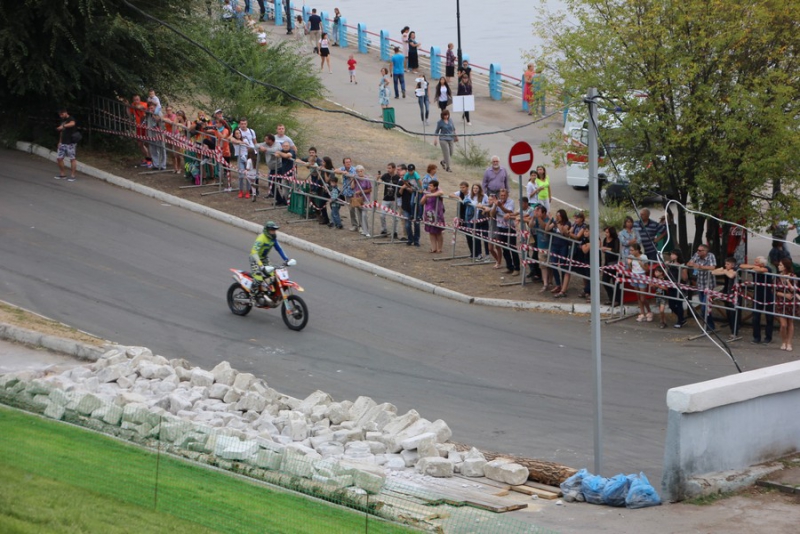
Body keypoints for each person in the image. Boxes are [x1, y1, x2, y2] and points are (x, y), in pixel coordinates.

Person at [249, 221, 290, 302]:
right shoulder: (261, 238)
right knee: (258, 278)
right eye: (272, 230)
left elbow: (279, 249)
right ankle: (252, 294)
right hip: (255, 259)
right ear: (267, 230)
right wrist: (261, 265)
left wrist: (286, 259)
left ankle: (266, 292)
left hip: (264, 258)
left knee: (272, 276)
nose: (273, 232)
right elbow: (254, 252)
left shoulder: (273, 239)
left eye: (274, 230)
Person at [739, 256, 775, 345]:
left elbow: (763, 270)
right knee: (755, 318)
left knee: (769, 318)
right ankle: (756, 337)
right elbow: (742, 266)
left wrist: (754, 268)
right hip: (757, 296)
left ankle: (768, 337)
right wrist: (753, 267)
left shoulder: (767, 268)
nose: (754, 263)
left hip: (768, 296)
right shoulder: (754, 268)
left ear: (762, 264)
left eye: (756, 262)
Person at [687, 244, 718, 332]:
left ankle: (709, 326)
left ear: (705, 251)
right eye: (698, 250)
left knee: (705, 307)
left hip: (709, 285)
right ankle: (709, 326)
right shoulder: (697, 255)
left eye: (700, 250)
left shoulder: (711, 256)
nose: (698, 252)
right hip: (700, 284)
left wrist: (700, 267)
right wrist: (693, 265)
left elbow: (712, 267)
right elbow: (689, 263)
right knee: (704, 307)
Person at [490, 189, 520, 275]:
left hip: (510, 228)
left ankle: (517, 268)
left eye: (504, 195)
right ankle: (509, 267)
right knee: (504, 248)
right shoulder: (498, 202)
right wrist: (495, 206)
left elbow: (509, 212)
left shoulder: (511, 202)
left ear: (507, 195)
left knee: (512, 248)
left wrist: (500, 206)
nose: (502, 197)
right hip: (500, 227)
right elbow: (492, 214)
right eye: (501, 195)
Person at [712, 257, 741, 341]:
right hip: (727, 293)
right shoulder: (726, 270)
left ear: (732, 265)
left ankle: (734, 331)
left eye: (727, 264)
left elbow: (731, 275)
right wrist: (723, 269)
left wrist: (724, 271)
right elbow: (713, 272)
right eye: (725, 264)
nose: (725, 265)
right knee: (728, 312)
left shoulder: (736, 270)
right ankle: (732, 328)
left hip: (734, 294)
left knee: (733, 313)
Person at [775, 257, 797, 351]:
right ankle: (783, 341)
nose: (779, 267)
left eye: (780, 265)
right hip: (781, 301)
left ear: (785, 266)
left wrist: (788, 282)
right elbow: (774, 290)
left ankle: (789, 342)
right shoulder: (777, 276)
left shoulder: (793, 276)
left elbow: (794, 289)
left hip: (791, 302)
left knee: (790, 322)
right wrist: (784, 294)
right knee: (783, 324)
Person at [627, 243, 652, 321]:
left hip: (641, 276)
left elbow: (647, 269)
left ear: (637, 250)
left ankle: (649, 311)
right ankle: (642, 313)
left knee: (643, 297)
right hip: (634, 276)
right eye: (630, 250)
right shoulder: (631, 257)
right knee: (638, 296)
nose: (631, 252)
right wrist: (629, 263)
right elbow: (631, 268)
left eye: (632, 250)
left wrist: (641, 263)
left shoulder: (643, 257)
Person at [420, 179, 445, 253]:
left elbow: (441, 192)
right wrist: (425, 196)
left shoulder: (438, 191)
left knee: (438, 232)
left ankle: (439, 248)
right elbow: (421, 202)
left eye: (431, 185)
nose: (429, 187)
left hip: (437, 215)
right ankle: (433, 247)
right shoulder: (427, 192)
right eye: (429, 185)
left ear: (435, 187)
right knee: (431, 231)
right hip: (428, 215)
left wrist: (429, 195)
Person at [665, 249, 688, 328]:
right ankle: (681, 318)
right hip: (671, 286)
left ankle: (680, 321)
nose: (672, 256)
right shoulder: (670, 263)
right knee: (671, 305)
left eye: (673, 254)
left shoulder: (682, 265)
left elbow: (685, 278)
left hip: (679, 287)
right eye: (671, 254)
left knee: (679, 304)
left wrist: (680, 269)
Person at [465, 183, 489, 260]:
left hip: (482, 219)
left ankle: (487, 254)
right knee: (476, 237)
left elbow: (488, 204)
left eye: (476, 188)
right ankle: (479, 253)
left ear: (479, 189)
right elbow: (465, 201)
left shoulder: (484, 196)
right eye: (474, 188)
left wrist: (483, 206)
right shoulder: (470, 196)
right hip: (473, 220)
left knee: (485, 236)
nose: (475, 190)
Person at [399, 166, 421, 247]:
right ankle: (410, 239)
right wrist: (403, 188)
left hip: (415, 207)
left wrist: (414, 189)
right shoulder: (402, 183)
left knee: (416, 224)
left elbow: (420, 191)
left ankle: (416, 240)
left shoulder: (416, 183)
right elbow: (398, 194)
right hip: (406, 206)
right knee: (407, 224)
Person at [55, 108, 79, 181]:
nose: (61, 116)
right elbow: (61, 132)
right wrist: (59, 142)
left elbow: (73, 123)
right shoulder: (62, 121)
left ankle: (72, 175)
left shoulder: (71, 118)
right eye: (60, 115)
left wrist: (63, 126)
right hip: (63, 142)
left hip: (70, 143)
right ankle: (63, 174)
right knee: (59, 158)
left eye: (62, 114)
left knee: (72, 159)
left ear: (65, 112)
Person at [531, 204, 552, 287]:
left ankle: (550, 281)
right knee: (543, 266)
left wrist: (538, 218)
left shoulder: (548, 219)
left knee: (550, 265)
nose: (537, 213)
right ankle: (545, 283)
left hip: (549, 246)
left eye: (539, 212)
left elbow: (544, 227)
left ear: (544, 213)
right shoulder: (536, 219)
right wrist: (533, 217)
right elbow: (530, 225)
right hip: (541, 246)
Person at [379, 163, 401, 237]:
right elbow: (378, 182)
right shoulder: (385, 175)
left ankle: (395, 232)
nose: (388, 170)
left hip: (394, 199)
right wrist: (378, 178)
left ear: (394, 169)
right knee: (382, 215)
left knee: (395, 217)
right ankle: (384, 230)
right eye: (387, 168)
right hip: (386, 199)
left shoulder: (397, 177)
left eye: (390, 168)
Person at [601, 226, 621, 305]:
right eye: (605, 232)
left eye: (607, 232)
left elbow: (616, 250)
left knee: (616, 282)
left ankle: (617, 300)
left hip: (615, 263)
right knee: (605, 281)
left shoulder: (616, 240)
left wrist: (607, 248)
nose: (606, 234)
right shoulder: (605, 239)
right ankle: (611, 297)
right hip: (607, 263)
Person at [144, 101, 167, 171]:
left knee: (161, 148)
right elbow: (146, 122)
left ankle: (162, 165)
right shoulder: (148, 114)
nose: (151, 107)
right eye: (150, 106)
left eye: (152, 106)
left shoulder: (158, 112)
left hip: (159, 134)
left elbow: (159, 120)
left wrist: (154, 114)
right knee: (152, 149)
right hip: (151, 133)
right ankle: (156, 164)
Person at [353, 165, 373, 237]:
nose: (360, 173)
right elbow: (352, 187)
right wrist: (353, 179)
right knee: (359, 214)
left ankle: (366, 230)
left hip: (365, 198)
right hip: (358, 199)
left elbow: (370, 189)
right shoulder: (356, 178)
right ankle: (363, 229)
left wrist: (361, 192)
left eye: (361, 171)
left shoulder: (366, 179)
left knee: (364, 215)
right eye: (358, 171)